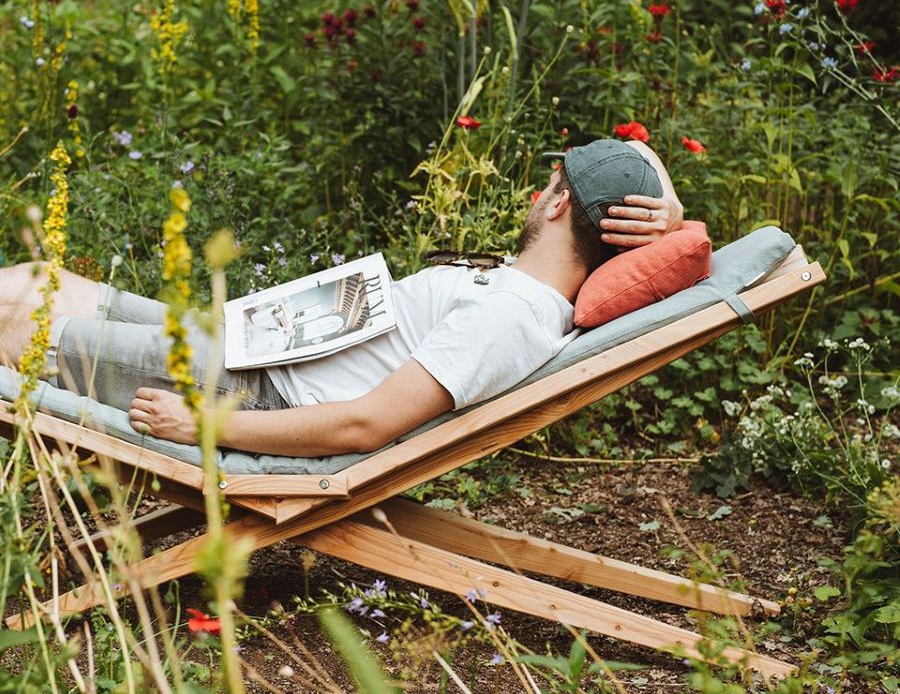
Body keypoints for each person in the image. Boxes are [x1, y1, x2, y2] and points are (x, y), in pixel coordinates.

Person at [0, 139, 683, 458]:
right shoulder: (526, 290)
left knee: (14, 323)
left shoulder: (510, 316)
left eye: (550, 185)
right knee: (36, 281)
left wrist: (205, 425)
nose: (536, 194)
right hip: (258, 347)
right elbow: (643, 164)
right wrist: (669, 208)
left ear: (558, 203)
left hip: (251, 393)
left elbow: (365, 425)